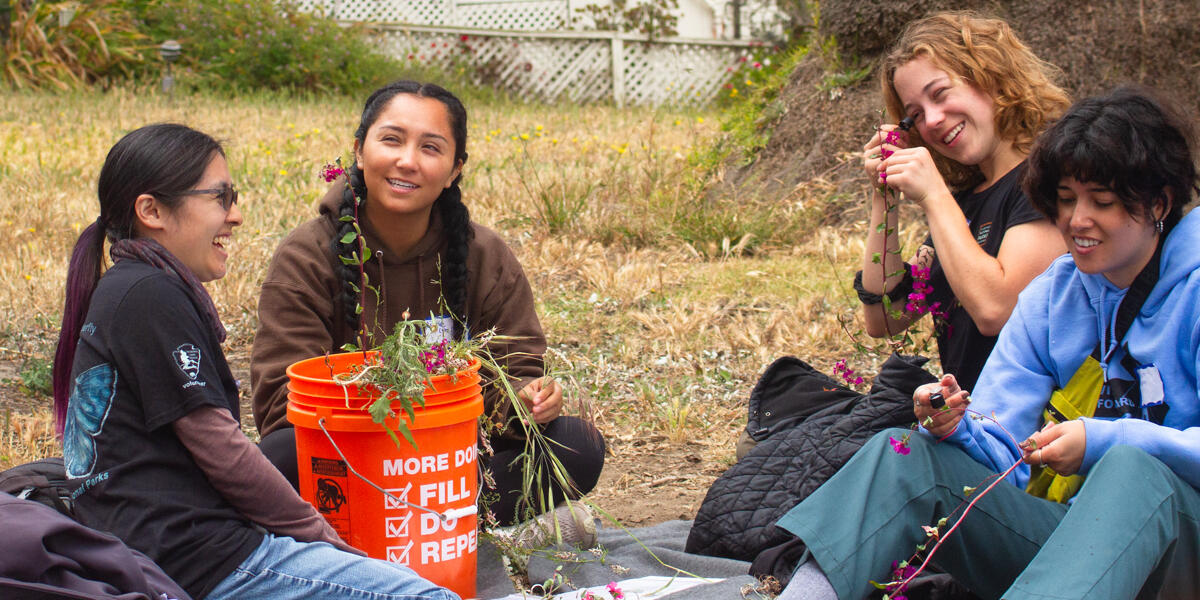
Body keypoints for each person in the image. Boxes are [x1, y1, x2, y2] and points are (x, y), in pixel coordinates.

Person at [774, 87, 1200, 599]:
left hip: (1180, 544)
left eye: (1102, 202)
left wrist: (1109, 440)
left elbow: (1132, 459)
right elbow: (1002, 440)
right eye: (1065, 200)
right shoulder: (1054, 294)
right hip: (1086, 553)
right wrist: (957, 428)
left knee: (1133, 470)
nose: (1076, 221)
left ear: (1159, 202)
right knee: (908, 453)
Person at [51, 123, 458, 600]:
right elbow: (221, 449)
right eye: (220, 197)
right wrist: (322, 537)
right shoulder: (149, 293)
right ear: (152, 210)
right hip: (203, 559)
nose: (236, 216)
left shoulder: (131, 286)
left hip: (164, 549)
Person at [251, 80, 605, 527]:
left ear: (455, 168)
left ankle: (409, 527)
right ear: (360, 150)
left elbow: (514, 371)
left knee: (577, 443)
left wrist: (528, 398)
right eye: (392, 140)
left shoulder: (485, 256)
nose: (407, 161)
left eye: (431, 148)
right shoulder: (307, 255)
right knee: (279, 458)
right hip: (354, 460)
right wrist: (389, 408)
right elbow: (280, 403)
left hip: (453, 466)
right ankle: (455, 527)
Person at [858, 11, 1070, 392]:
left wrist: (935, 197)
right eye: (916, 115)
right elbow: (884, 318)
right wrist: (884, 196)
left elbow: (997, 311)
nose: (934, 120)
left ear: (990, 76)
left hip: (1034, 432)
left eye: (940, 94)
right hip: (969, 421)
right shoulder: (965, 205)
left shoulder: (1052, 180)